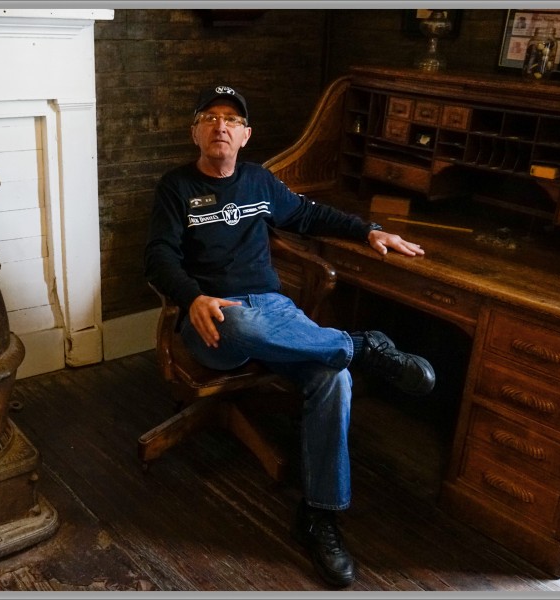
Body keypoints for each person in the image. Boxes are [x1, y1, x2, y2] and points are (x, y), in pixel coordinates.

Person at [144, 84, 437, 588]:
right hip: (216, 318)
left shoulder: (260, 181)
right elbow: (158, 256)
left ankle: (320, 514)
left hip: (277, 311)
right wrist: (191, 296)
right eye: (210, 117)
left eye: (232, 120)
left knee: (334, 379)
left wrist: (369, 230)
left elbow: (310, 214)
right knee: (243, 321)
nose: (221, 126)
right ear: (195, 131)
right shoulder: (175, 187)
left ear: (245, 135)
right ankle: (363, 346)